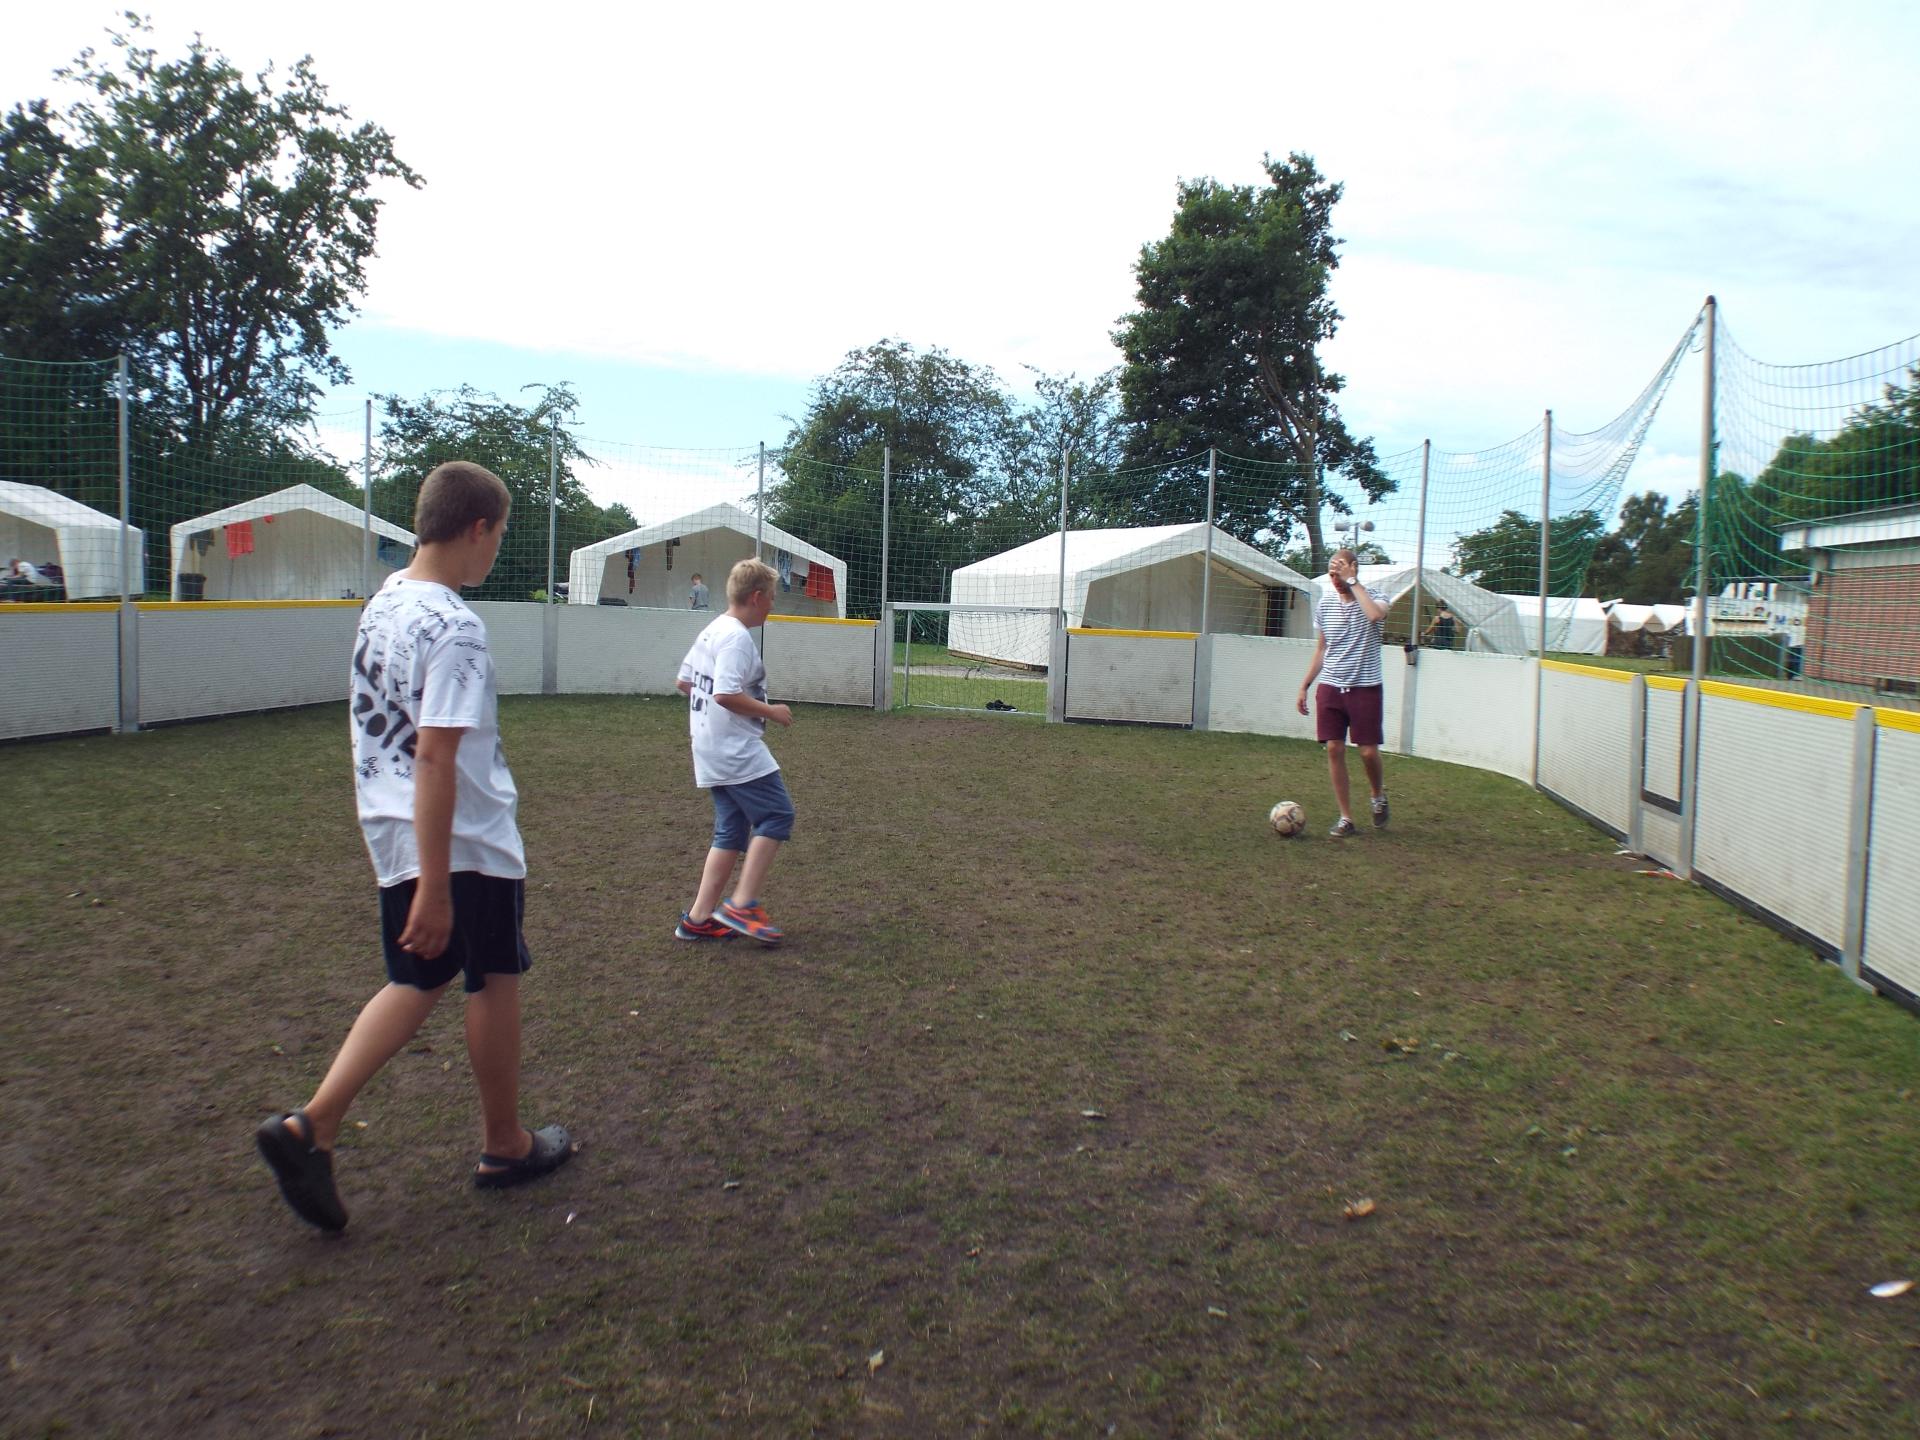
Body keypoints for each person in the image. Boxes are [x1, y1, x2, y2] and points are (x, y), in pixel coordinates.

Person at [255, 461, 573, 1232]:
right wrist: (436, 884)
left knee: (418, 978)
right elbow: (435, 755)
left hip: (397, 829)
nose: (497, 548)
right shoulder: (455, 627)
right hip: (462, 840)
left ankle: (313, 1126)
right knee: (493, 976)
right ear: (478, 528)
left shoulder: (386, 603)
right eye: (499, 534)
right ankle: (504, 1144)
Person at [673, 557, 795, 945]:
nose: (772, 605)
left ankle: (697, 919)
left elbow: (684, 682)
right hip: (734, 749)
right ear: (756, 597)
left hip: (708, 746)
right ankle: (742, 904)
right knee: (777, 815)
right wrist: (771, 712)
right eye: (771, 597)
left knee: (732, 828)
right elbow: (725, 694)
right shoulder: (737, 638)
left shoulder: (712, 629)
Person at [1297, 549, 1390, 837]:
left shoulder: (1376, 597)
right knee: (1334, 748)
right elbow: (1322, 649)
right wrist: (1305, 685)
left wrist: (1353, 583)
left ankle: (1377, 796)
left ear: (1353, 568)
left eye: (1340, 571)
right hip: (1331, 687)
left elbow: (1374, 615)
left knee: (1368, 752)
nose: (1335, 578)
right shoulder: (1325, 604)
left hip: (1365, 687)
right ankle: (1346, 818)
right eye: (1332, 573)